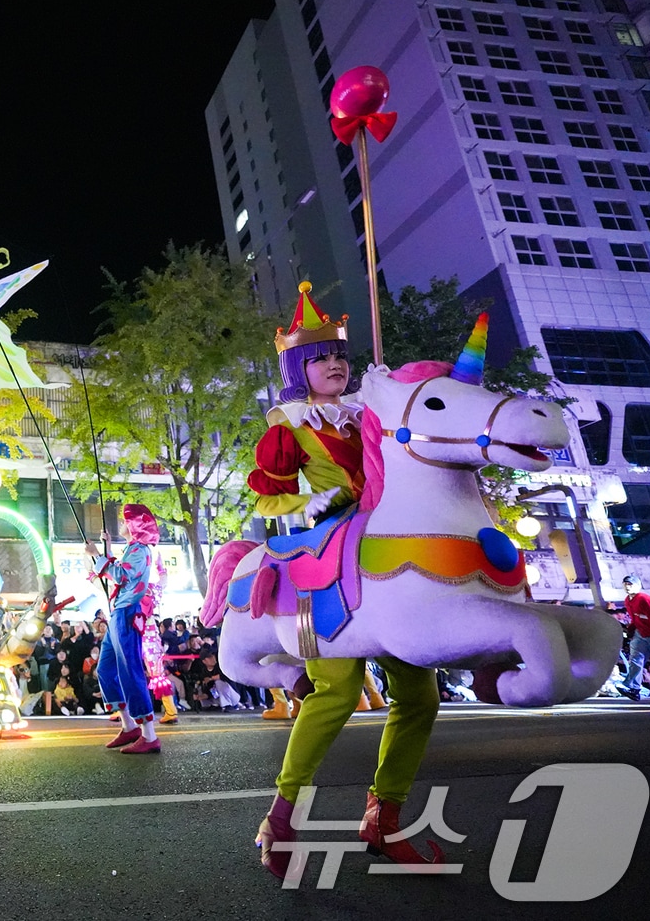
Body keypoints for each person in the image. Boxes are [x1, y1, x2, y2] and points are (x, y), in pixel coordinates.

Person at [246, 283, 443, 877]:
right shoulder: (288, 424)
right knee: (334, 691)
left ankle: (384, 818)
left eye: (341, 356)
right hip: (323, 555)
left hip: (385, 553)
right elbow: (271, 501)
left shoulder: (368, 412)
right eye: (322, 357)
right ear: (298, 368)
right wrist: (318, 502)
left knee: (420, 695)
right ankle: (279, 819)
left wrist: (390, 394)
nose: (336, 364)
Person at [84, 504, 164, 754]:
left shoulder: (140, 550)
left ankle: (149, 735)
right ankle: (129, 725)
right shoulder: (132, 549)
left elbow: (121, 575)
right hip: (118, 613)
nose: (121, 523)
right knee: (106, 669)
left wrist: (98, 554)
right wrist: (106, 549)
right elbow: (117, 570)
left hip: (128, 613)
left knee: (130, 670)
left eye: (126, 520)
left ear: (135, 525)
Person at [619, 574, 650, 700]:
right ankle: (633, 688)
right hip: (640, 634)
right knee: (635, 661)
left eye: (630, 584)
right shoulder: (628, 600)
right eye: (625, 585)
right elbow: (636, 618)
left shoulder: (644, 599)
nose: (627, 587)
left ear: (638, 586)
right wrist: (630, 630)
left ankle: (633, 687)